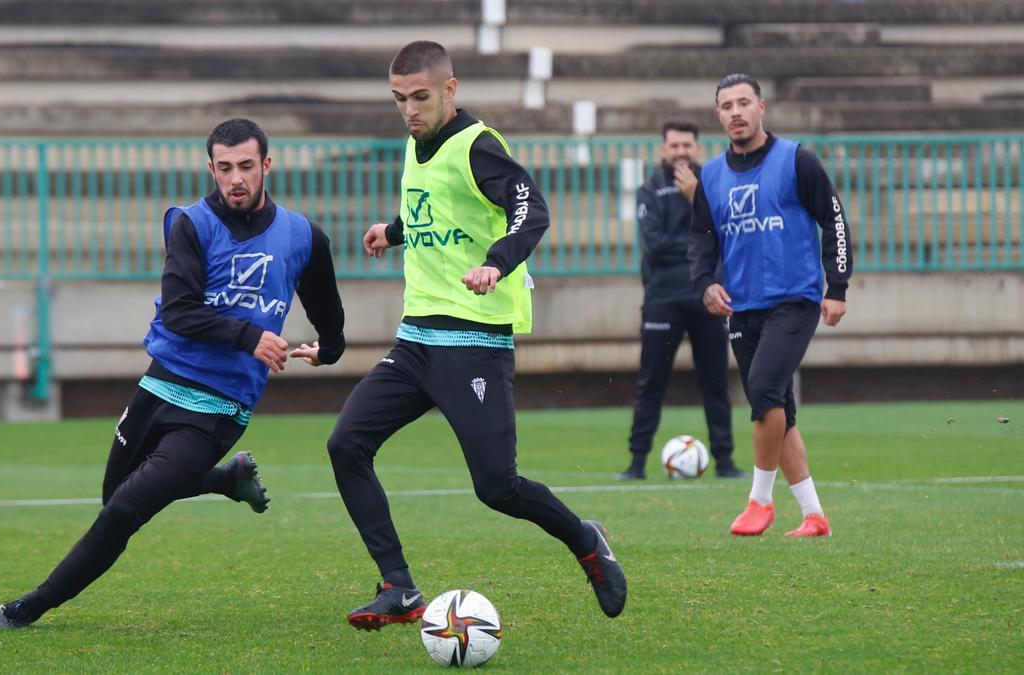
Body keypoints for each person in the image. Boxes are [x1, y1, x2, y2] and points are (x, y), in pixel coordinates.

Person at [0, 118, 347, 627]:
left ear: (267, 165)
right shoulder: (191, 225)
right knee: (114, 500)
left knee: (124, 512)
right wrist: (248, 336)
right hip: (159, 384)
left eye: (245, 166)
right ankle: (225, 479)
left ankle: (27, 608)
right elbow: (179, 312)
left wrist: (325, 350)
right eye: (224, 168)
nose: (235, 178)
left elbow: (332, 324)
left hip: (219, 408)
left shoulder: (304, 236)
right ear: (210, 168)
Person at [325, 41, 627, 631]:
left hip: (473, 343)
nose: (409, 110)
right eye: (399, 99)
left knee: (497, 487)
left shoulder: (479, 145)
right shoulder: (416, 146)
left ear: (449, 90)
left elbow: (529, 210)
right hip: (415, 342)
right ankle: (399, 588)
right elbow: (434, 213)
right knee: (346, 445)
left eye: (420, 97)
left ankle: (587, 541)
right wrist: (392, 230)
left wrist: (497, 261)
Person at [688, 74, 852, 537]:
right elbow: (700, 239)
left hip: (794, 300)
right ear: (717, 114)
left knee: (762, 389)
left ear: (761, 107)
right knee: (779, 408)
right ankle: (815, 516)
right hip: (742, 307)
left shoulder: (797, 160)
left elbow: (833, 220)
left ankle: (760, 501)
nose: (736, 112)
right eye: (726, 106)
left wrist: (836, 286)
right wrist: (705, 284)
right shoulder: (713, 176)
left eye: (744, 102)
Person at [617, 118, 742, 481]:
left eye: (687, 145)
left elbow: (727, 237)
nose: (681, 152)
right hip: (663, 298)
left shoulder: (713, 184)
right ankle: (636, 462)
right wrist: (696, 245)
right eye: (674, 146)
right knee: (651, 383)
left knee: (716, 383)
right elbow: (654, 246)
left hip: (708, 298)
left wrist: (695, 199)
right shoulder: (649, 190)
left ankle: (726, 462)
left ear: (697, 148)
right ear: (663, 150)